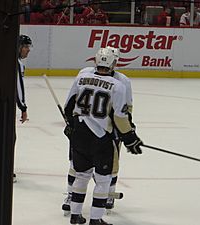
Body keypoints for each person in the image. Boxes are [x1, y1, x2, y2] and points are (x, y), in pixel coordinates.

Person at [64, 48, 143, 225]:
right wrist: (130, 138)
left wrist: (71, 125)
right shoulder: (119, 86)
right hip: (101, 138)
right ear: (114, 63)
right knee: (103, 179)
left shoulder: (82, 78)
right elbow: (120, 118)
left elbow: (68, 106)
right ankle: (96, 219)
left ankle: (75, 215)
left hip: (80, 134)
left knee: (82, 175)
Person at [0, 34, 31, 182]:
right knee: (8, 135)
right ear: (18, 47)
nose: (28, 50)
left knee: (5, 134)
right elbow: (18, 87)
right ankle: (4, 169)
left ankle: (0, 167)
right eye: (25, 47)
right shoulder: (16, 63)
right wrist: (23, 107)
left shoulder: (7, 59)